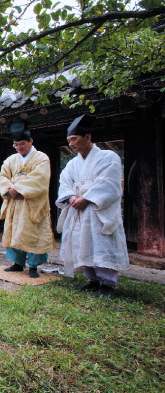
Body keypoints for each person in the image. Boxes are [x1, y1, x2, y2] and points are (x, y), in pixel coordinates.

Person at [56, 114, 129, 297]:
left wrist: (87, 198)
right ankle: (93, 279)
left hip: (97, 209)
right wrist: (71, 196)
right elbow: (64, 182)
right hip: (79, 210)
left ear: (87, 137)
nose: (71, 144)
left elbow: (109, 184)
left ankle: (108, 284)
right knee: (84, 243)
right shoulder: (73, 163)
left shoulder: (108, 157)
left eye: (74, 139)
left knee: (102, 243)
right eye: (68, 140)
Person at [0, 121, 54, 278]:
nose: (19, 148)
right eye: (16, 145)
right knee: (14, 231)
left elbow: (40, 179)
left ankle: (33, 266)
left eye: (22, 144)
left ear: (31, 142)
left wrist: (19, 188)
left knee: (32, 232)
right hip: (15, 202)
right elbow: (3, 176)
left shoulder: (41, 158)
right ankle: (17, 263)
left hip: (31, 203)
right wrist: (10, 189)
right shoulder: (11, 160)